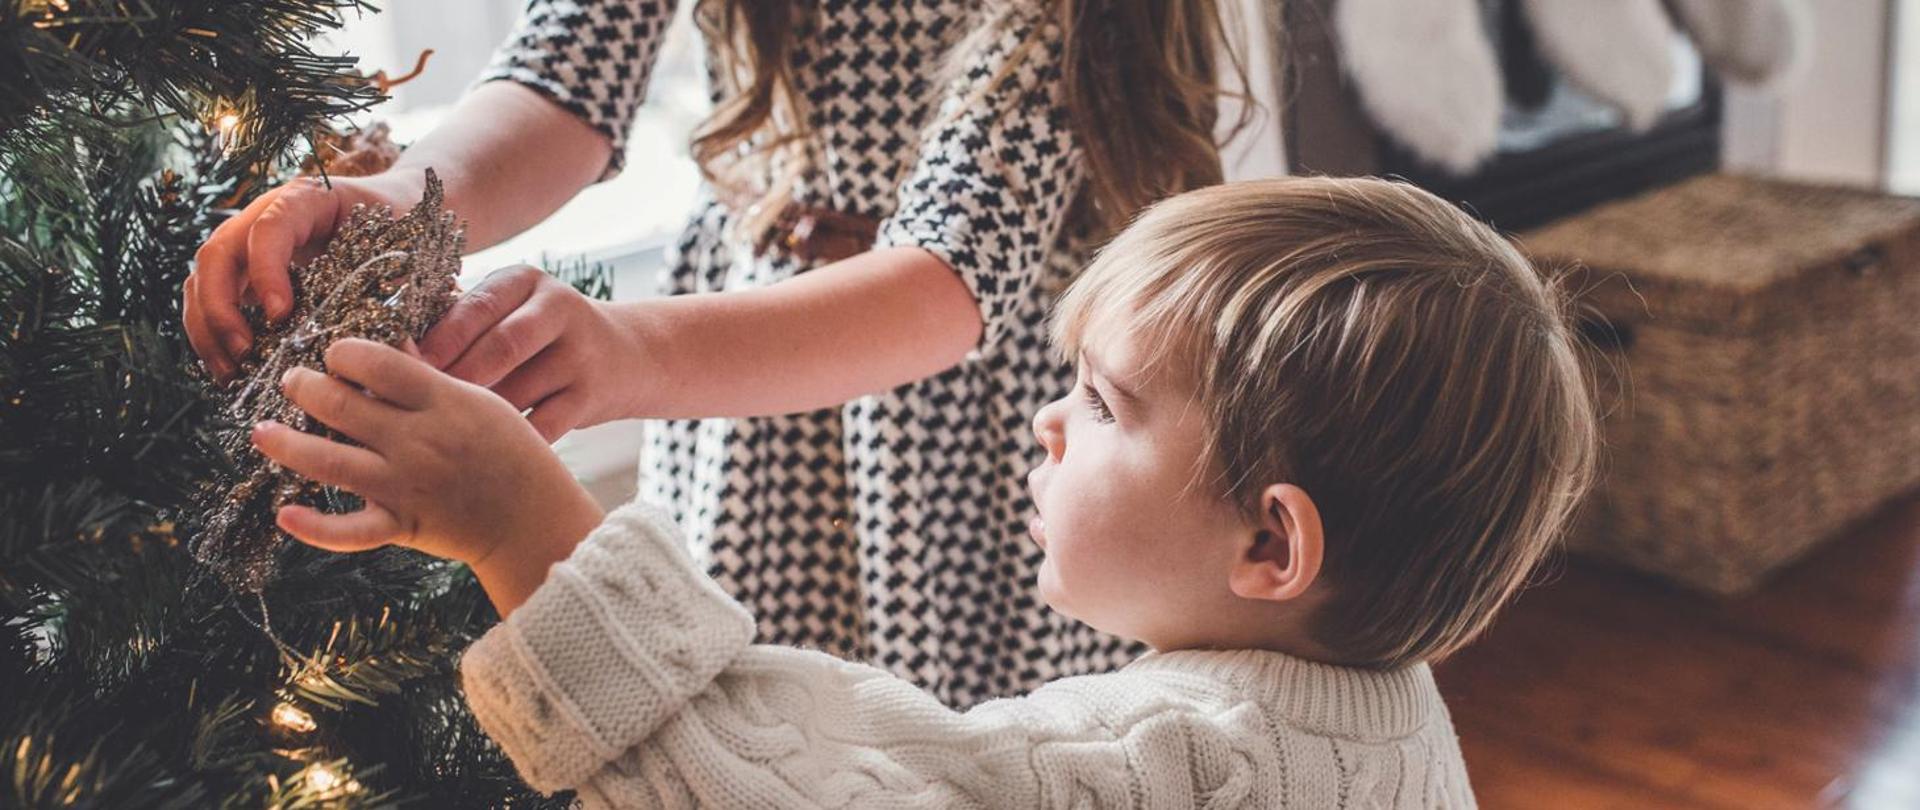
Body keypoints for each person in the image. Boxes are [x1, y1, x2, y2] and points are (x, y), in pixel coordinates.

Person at [250, 176, 1600, 807]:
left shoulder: (1163, 761)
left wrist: (524, 527)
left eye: (1105, 403)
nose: (1047, 420)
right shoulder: (1394, 728)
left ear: (1269, 540)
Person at [185, 0, 1249, 707]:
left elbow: (951, 274)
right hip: (750, 383)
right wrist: (400, 201)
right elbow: (567, 75)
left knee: (942, 744)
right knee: (747, 729)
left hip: (959, 412)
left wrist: (623, 354)